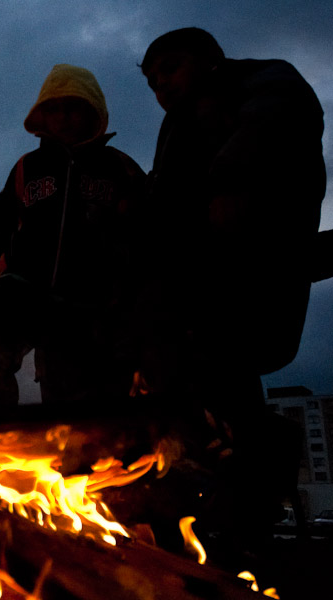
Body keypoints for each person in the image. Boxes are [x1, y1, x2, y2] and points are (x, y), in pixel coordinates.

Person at [134, 27, 325, 558]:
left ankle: (247, 519)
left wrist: (227, 189)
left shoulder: (264, 82)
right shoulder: (179, 124)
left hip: (246, 266)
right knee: (200, 394)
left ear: (208, 59)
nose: (161, 86)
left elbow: (272, 126)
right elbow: (163, 201)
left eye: (169, 69)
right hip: (193, 279)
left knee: (228, 385)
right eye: (151, 81)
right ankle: (215, 519)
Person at [0, 63, 145, 410]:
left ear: (93, 112)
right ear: (42, 117)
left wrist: (130, 295)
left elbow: (142, 232)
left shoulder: (120, 168)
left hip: (100, 303)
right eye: (54, 109)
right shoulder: (25, 168)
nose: (63, 118)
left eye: (74, 108)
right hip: (35, 294)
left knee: (96, 399)